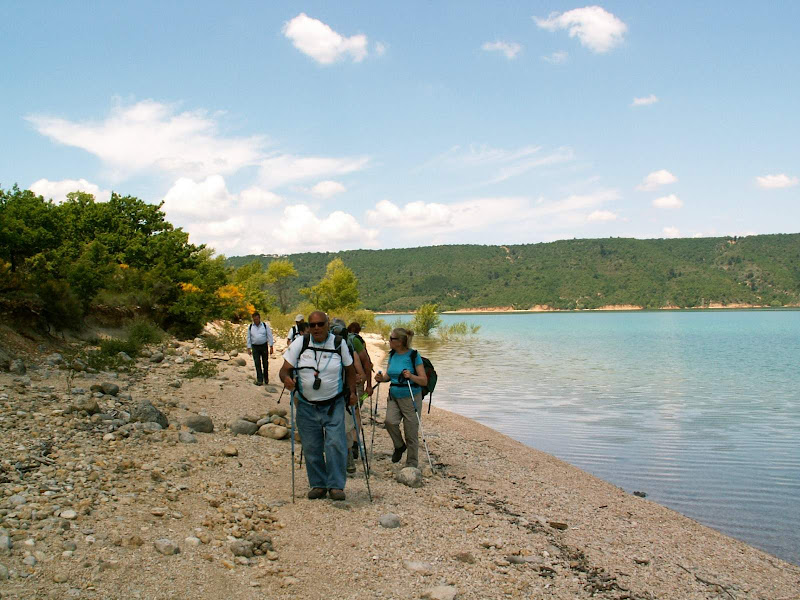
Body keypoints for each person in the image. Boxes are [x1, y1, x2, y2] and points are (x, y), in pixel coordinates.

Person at [279, 311, 358, 501]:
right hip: (306, 405)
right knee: (312, 446)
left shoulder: (339, 344)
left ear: (327, 324)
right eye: (312, 325)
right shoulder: (301, 343)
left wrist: (353, 392)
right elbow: (284, 370)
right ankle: (318, 484)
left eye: (320, 324)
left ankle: (336, 486)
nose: (316, 328)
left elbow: (350, 370)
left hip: (334, 403)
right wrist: (286, 380)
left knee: (335, 445)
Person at [375, 328, 427, 468]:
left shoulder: (413, 355)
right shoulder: (392, 355)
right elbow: (389, 376)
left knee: (411, 431)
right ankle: (399, 446)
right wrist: (381, 378)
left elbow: (423, 381)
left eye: (392, 338)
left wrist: (411, 376)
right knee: (389, 422)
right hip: (394, 395)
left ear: (401, 341)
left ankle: (411, 463)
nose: (389, 341)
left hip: (410, 396)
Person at [246, 312, 274, 385]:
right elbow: (248, 337)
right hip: (255, 347)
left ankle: (266, 378)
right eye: (254, 319)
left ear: (259, 318)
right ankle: (259, 379)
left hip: (264, 346)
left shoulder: (264, 326)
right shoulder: (250, 327)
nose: (256, 321)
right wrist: (248, 348)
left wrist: (271, 346)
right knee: (257, 363)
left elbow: (269, 335)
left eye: (257, 319)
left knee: (265, 362)